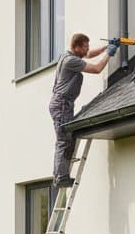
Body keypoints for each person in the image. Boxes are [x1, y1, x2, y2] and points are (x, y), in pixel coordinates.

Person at [49, 33, 119, 187]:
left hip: (62, 103)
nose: (87, 50)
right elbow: (97, 69)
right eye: (85, 46)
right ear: (76, 47)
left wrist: (106, 47)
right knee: (63, 141)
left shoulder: (68, 55)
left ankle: (59, 175)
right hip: (62, 104)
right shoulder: (71, 61)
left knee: (65, 139)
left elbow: (89, 54)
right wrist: (109, 54)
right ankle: (61, 178)